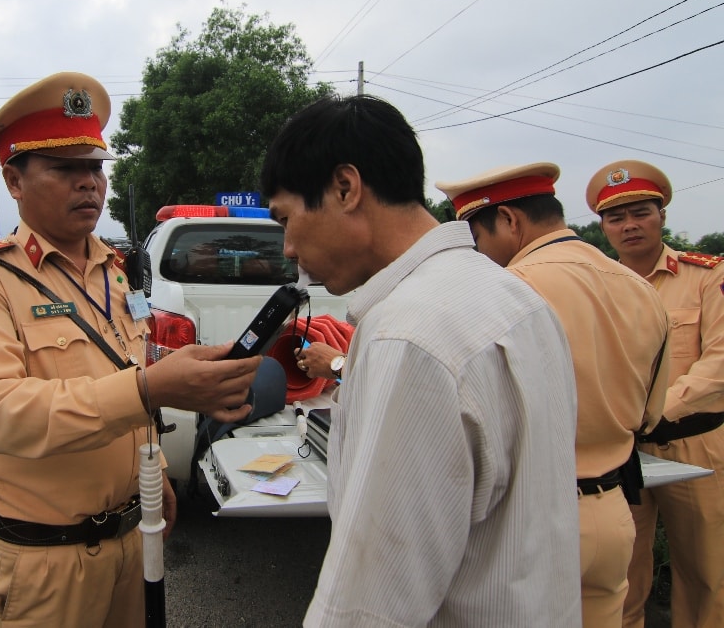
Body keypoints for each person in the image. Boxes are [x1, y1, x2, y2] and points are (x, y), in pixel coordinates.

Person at [0, 72, 262, 627]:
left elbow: (131, 372)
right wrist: (149, 389)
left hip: (135, 537)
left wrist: (155, 471)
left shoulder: (115, 270)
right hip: (48, 561)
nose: (89, 183)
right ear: (13, 181)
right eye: (66, 169)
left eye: (95, 168)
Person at [260, 94, 583, 627]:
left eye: (285, 218)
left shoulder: (408, 336)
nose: (288, 247)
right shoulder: (518, 301)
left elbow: (370, 604)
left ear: (345, 188)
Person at [437, 162, 670, 627]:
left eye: (477, 239)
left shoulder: (504, 291)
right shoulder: (642, 291)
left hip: (530, 517)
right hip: (612, 512)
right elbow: (649, 415)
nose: (478, 253)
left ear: (509, 220)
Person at [586, 159, 724, 628]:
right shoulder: (596, 287)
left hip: (695, 445)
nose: (629, 226)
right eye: (615, 217)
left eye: (640, 212)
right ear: (603, 227)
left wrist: (654, 411)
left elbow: (719, 364)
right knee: (618, 574)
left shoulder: (706, 277)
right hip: (622, 449)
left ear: (662, 215)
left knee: (706, 576)